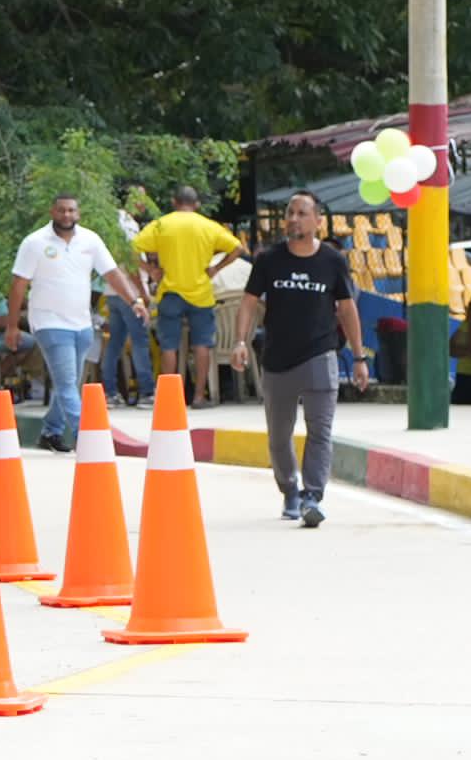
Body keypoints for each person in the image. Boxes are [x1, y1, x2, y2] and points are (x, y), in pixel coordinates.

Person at [243, 191, 365, 528]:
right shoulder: (269, 260)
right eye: (290, 213)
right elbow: (249, 301)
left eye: (301, 213)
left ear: (317, 221)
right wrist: (240, 341)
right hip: (277, 358)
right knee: (279, 435)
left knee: (320, 431)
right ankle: (290, 491)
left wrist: (358, 356)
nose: (294, 219)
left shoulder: (332, 261)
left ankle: (313, 495)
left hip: (320, 354)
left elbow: (347, 309)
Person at [7, 192, 126, 450]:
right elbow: (18, 285)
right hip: (49, 323)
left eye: (71, 210)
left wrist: (134, 301)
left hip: (82, 324)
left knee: (68, 384)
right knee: (67, 384)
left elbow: (112, 273)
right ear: (52, 212)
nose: (66, 215)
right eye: (61, 210)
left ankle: (51, 431)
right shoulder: (34, 242)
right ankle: (89, 440)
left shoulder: (90, 240)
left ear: (78, 213)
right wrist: (12, 326)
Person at [134, 190, 242, 408]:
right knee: (202, 345)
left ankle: (170, 398)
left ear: (174, 202)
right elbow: (237, 248)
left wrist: (150, 269)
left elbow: (132, 248)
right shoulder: (208, 226)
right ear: (197, 204)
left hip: (170, 292)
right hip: (201, 293)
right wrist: (216, 268)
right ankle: (199, 396)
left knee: (169, 346)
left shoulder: (161, 224)